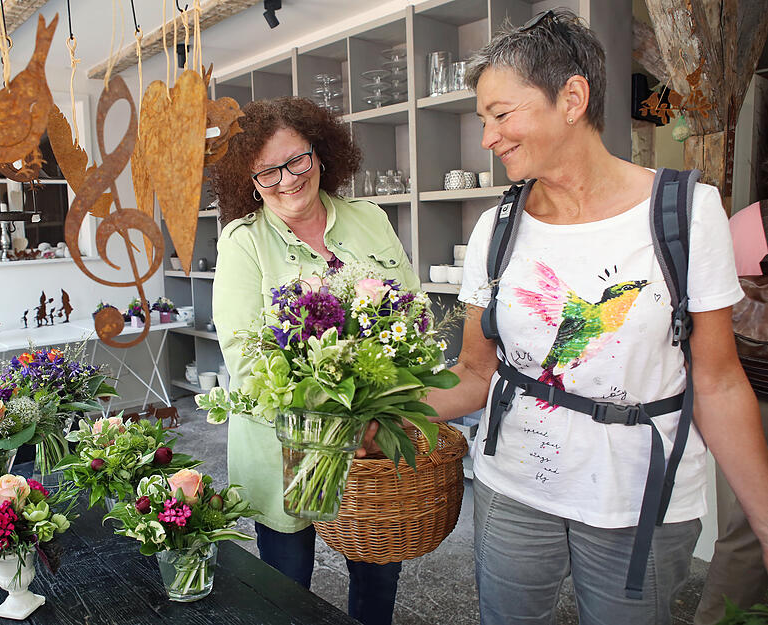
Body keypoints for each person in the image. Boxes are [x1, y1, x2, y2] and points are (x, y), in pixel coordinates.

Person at [422, 9, 768, 625]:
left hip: (640, 499)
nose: (488, 138)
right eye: (482, 120)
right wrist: (385, 410)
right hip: (514, 487)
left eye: (501, 115)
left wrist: (765, 520)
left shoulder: (686, 212)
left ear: (573, 98)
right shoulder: (495, 229)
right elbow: (476, 373)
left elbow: (717, 381)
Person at [210, 96, 419, 625]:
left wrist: (378, 413)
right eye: (267, 172)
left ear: (320, 151)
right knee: (287, 587)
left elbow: (412, 315)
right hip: (283, 447)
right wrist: (337, 420)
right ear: (249, 181)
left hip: (373, 441)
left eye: (296, 159)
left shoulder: (369, 219)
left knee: (376, 574)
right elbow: (245, 361)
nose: (287, 180)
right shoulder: (243, 242)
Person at [694, 196, 768, 624]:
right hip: (750, 395)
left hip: (746, 388)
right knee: (747, 530)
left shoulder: (743, 222)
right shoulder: (748, 224)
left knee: (743, 533)